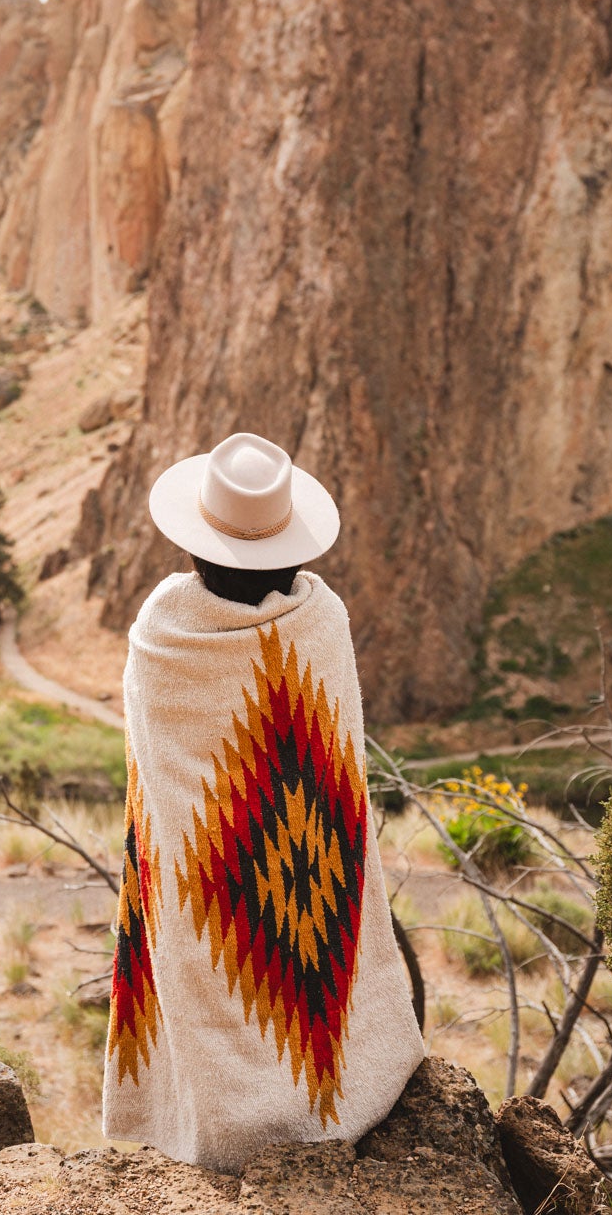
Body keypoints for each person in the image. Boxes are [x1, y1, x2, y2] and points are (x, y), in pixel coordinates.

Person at [102, 431, 424, 1173]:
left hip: (203, 889)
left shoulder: (164, 632)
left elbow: (161, 787)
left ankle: (225, 1112)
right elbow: (334, 780)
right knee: (296, 927)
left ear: (195, 545)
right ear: (295, 549)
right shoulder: (322, 619)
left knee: (209, 939)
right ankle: (331, 1080)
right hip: (314, 880)